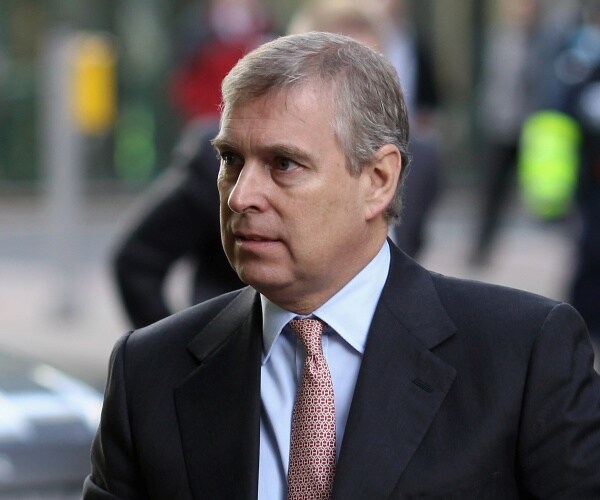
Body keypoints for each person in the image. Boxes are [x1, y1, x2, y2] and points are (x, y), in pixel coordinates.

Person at [84, 32, 600, 499]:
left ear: (378, 179)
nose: (241, 196)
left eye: (283, 164)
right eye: (231, 161)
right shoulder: (147, 371)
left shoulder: (523, 355)